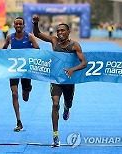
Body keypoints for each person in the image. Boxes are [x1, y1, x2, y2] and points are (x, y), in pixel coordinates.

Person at [32, 15, 87, 147]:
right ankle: (55, 135)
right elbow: (37, 34)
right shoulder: (54, 41)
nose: (60, 33)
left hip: (68, 80)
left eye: (63, 30)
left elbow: (84, 63)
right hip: (55, 79)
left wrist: (72, 69)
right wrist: (35, 23)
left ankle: (67, 108)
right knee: (55, 104)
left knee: (68, 102)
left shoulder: (75, 46)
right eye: (58, 31)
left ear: (68, 32)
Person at [2, 17, 40, 132]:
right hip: (13, 70)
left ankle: (27, 88)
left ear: (23, 26)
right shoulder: (10, 37)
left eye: (20, 24)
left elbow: (38, 50)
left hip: (26, 70)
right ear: (14, 25)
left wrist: (30, 54)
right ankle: (19, 122)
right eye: (16, 24)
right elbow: (2, 50)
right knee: (14, 93)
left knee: (25, 97)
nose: (18, 26)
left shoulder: (29, 37)